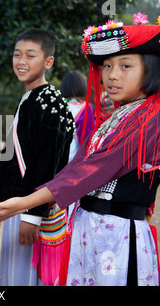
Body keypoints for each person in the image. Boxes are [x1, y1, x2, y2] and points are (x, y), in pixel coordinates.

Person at [0, 13, 160, 286]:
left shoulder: (150, 117)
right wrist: (30, 201)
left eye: (125, 66)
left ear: (153, 69)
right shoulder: (115, 116)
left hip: (117, 235)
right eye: (107, 66)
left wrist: (25, 204)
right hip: (92, 229)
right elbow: (76, 165)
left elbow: (93, 171)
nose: (111, 75)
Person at [0, 28, 75, 286]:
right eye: (17, 55)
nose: (21, 62)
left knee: (27, 277)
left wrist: (32, 215)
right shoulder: (30, 97)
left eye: (30, 56)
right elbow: (11, 156)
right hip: (18, 204)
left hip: (33, 209)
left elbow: (47, 162)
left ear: (48, 61)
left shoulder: (52, 102)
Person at [60, 70, 94, 221]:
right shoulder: (86, 108)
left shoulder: (58, 105)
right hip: (75, 158)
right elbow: (87, 139)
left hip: (57, 158)